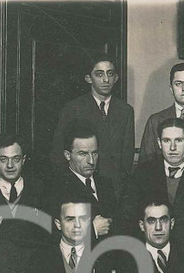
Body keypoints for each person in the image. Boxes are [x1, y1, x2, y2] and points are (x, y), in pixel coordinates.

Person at [49, 55, 135, 199]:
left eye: (110, 74)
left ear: (116, 78)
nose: (106, 80)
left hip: (115, 191)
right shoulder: (73, 108)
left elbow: (127, 156)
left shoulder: (126, 111)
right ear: (89, 78)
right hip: (81, 190)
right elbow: (58, 154)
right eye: (99, 74)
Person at [127, 116, 184, 248]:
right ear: (159, 143)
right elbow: (129, 218)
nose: (172, 147)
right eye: (167, 141)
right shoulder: (143, 174)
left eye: (179, 140)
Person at [44, 122, 119, 242]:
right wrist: (92, 230)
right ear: (68, 155)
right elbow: (52, 236)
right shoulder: (56, 188)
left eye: (94, 153)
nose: (91, 161)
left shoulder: (105, 183)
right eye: (83, 154)